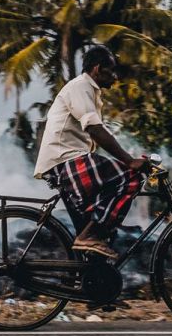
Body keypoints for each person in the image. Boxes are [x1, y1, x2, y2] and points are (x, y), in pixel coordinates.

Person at [33, 45, 147, 259]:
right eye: (111, 71)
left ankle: (86, 260)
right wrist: (129, 161)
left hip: (69, 160)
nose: (115, 77)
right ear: (97, 69)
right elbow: (94, 128)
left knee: (95, 222)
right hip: (66, 160)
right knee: (130, 176)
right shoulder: (80, 87)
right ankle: (90, 236)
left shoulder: (89, 92)